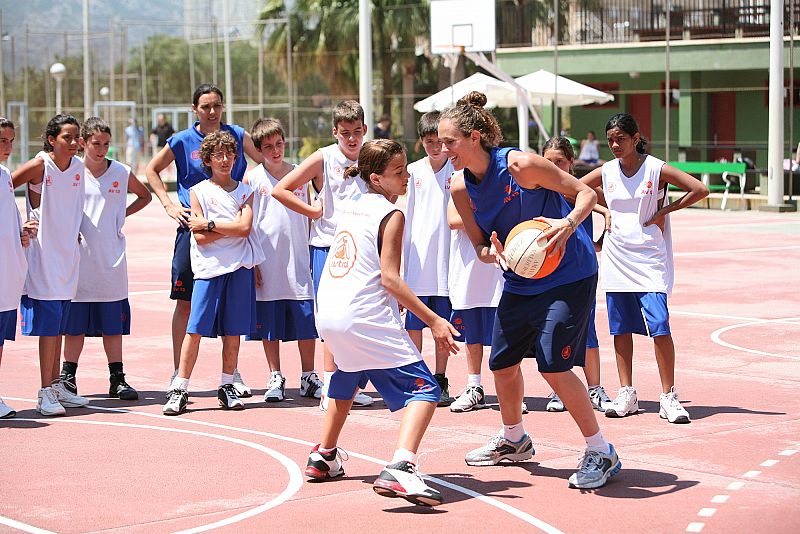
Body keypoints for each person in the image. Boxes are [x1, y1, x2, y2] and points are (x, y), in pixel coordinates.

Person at [442, 91, 620, 490]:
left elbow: (587, 194)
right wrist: (493, 254)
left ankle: (601, 450)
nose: (443, 148)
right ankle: (514, 439)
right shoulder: (459, 187)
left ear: (473, 137)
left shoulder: (520, 165)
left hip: (569, 274)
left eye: (450, 140)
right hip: (521, 280)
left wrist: (569, 223)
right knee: (501, 365)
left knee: (554, 365)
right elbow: (480, 246)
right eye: (439, 141)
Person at [305, 139, 460, 507]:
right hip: (363, 316)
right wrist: (435, 320)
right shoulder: (392, 215)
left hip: (328, 313)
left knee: (346, 375)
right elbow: (390, 278)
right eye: (398, 173)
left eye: (406, 169)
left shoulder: (351, 203)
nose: (406, 177)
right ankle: (402, 466)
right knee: (425, 391)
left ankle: (324, 456)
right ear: (376, 177)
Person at [581, 113, 708, 424]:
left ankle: (668, 396)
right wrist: (601, 209)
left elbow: (699, 189)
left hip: (649, 257)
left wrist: (666, 209)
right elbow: (573, 188)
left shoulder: (655, 167)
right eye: (610, 139)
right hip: (616, 256)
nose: (614, 145)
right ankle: (627, 392)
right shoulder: (607, 170)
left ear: (636, 138)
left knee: (660, 326)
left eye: (620, 139)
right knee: (620, 329)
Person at [145, 83, 262, 397]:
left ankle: (231, 374)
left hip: (232, 229)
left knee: (232, 307)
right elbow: (152, 169)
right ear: (194, 109)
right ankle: (177, 374)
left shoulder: (236, 135)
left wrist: (250, 193)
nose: (212, 112)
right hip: (193, 228)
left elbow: (265, 163)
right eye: (205, 106)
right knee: (187, 303)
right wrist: (169, 204)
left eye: (217, 106)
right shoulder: (183, 140)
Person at [272, 100, 373, 410]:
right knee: (331, 320)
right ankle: (331, 385)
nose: (352, 139)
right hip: (328, 248)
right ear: (335, 132)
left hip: (363, 249)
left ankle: (350, 383)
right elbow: (282, 189)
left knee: (359, 317)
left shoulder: (372, 157)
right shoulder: (324, 158)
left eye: (357, 132)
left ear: (365, 130)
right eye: (345, 133)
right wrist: (313, 211)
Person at [162, 131, 263, 416]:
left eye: (229, 154)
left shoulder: (245, 192)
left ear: (235, 157)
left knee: (233, 332)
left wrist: (209, 224)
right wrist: (220, 226)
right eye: (217, 154)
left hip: (239, 269)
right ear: (207, 159)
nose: (224, 159)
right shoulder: (199, 191)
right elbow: (201, 237)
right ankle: (179, 387)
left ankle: (227, 385)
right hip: (208, 271)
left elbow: (245, 229)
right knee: (194, 330)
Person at [59, 117, 152, 401]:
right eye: (96, 144)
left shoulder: (121, 172)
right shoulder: (71, 171)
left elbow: (144, 196)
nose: (102, 149)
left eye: (107, 144)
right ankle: (68, 377)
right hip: (78, 260)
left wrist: (120, 216)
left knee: (113, 325)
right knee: (74, 326)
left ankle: (117, 378)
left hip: (111, 258)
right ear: (83, 143)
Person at [12, 114, 90, 416]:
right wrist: (19, 226)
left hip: (68, 257)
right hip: (43, 259)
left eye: (75, 137)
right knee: (48, 330)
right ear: (51, 140)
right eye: (66, 137)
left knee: (58, 328)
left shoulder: (79, 168)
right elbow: (6, 189)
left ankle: (56, 386)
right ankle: (45, 392)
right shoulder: (39, 166)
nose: (73, 143)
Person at [245, 118, 322, 403]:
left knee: (305, 318)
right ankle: (275, 375)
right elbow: (248, 222)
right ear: (259, 149)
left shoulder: (300, 175)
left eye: (279, 145)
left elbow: (314, 215)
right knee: (269, 322)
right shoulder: (252, 179)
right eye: (268, 147)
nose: (275, 151)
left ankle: (308, 376)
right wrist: (252, 261)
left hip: (299, 258)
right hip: (267, 261)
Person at [540, 136, 612, 413]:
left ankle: (595, 388)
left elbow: (608, 208)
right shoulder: (539, 190)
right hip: (549, 270)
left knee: (587, 328)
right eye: (549, 161)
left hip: (581, 270)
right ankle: (559, 389)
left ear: (571, 162)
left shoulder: (584, 192)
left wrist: (600, 240)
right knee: (555, 330)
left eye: (559, 161)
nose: (554, 166)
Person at [403, 111, 455, 406]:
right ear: (421, 142)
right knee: (413, 325)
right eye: (429, 141)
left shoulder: (457, 170)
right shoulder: (412, 172)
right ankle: (416, 375)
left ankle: (440, 377)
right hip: (418, 262)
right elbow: (407, 218)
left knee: (441, 325)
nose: (435, 147)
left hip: (446, 263)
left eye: (440, 141)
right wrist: (403, 263)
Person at [445, 197, 506, 413]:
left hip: (498, 271)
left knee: (505, 336)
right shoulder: (459, 187)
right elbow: (453, 220)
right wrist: (490, 214)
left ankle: (508, 390)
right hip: (467, 271)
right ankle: (474, 386)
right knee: (473, 336)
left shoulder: (499, 185)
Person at [0, 118, 36, 418]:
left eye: (11, 140)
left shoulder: (3, 175)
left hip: (7, 273)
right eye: (3, 140)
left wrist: (20, 233)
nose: (8, 147)